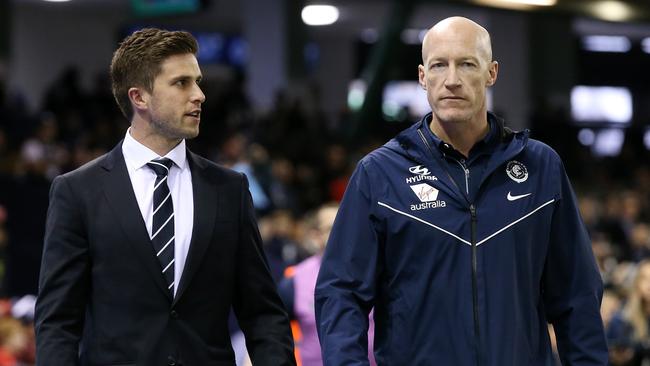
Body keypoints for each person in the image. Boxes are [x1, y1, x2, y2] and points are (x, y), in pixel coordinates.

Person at [315, 16, 607, 365]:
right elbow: (341, 293)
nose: (451, 80)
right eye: (439, 65)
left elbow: (577, 296)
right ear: (423, 77)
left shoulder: (541, 167)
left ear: (491, 72)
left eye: (467, 64)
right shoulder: (378, 175)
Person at [34, 28, 295, 365]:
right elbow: (57, 323)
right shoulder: (77, 191)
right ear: (139, 97)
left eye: (197, 81)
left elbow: (263, 315)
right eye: (181, 83)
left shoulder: (229, 189)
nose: (199, 94)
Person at [279, 203, 375, 366]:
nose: (343, 232)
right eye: (334, 227)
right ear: (316, 236)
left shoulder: (376, 270)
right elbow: (270, 330)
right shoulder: (295, 280)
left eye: (348, 226)